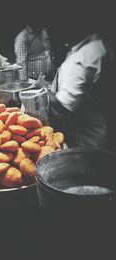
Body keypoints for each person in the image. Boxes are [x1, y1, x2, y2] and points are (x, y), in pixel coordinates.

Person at [36, 6, 116, 151]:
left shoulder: (80, 59)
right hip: (98, 125)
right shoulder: (96, 44)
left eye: (47, 38)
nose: (46, 44)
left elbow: (64, 106)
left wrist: (44, 87)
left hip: (87, 137)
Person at [14, 13, 55, 83]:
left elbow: (48, 51)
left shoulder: (43, 31)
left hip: (49, 77)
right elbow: (21, 63)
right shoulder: (22, 37)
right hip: (34, 80)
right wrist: (24, 83)